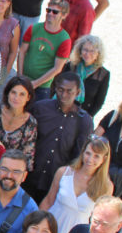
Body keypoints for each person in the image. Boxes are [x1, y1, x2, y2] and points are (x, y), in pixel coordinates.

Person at [26, 73, 92, 204]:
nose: (64, 95)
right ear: (55, 88)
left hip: (56, 184)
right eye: (60, 90)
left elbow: (78, 156)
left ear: (77, 92)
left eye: (69, 91)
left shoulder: (84, 120)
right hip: (30, 176)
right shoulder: (40, 108)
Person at [41, 137, 113, 233]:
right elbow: (48, 200)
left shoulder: (106, 187)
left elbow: (101, 220)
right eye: (88, 153)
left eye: (96, 156)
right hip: (50, 227)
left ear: (104, 159)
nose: (90, 159)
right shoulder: (64, 172)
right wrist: (36, 225)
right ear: (83, 152)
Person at [17, 0, 72, 101]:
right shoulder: (34, 28)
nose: (50, 13)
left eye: (55, 12)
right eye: (48, 10)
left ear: (63, 16)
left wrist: (35, 83)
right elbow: (22, 52)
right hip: (24, 79)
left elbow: (57, 68)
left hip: (42, 87)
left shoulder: (64, 39)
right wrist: (20, 76)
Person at [0, 75, 38, 167]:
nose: (16, 98)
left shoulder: (30, 123)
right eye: (13, 92)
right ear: (7, 93)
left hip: (10, 171)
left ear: (28, 97)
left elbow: (27, 157)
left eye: (22, 94)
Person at [64, 35, 110, 117]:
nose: (88, 54)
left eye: (92, 51)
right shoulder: (70, 66)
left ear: (98, 54)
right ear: (80, 51)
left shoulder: (103, 74)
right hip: (62, 110)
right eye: (85, 50)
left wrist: (87, 118)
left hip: (83, 116)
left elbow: (99, 102)